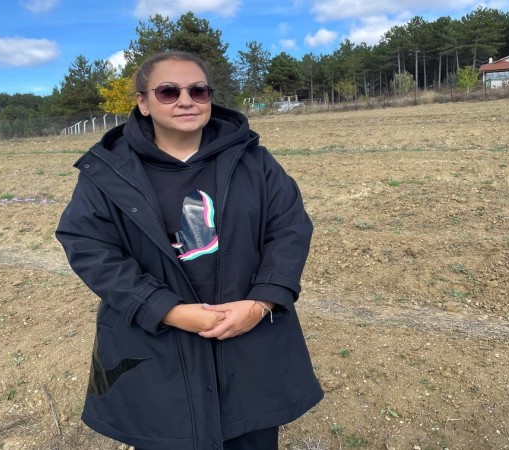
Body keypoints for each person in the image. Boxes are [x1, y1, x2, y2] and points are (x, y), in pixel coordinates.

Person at [55, 50, 323, 450]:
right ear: (143, 103)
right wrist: (165, 309)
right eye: (168, 91)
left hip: (248, 339)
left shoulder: (253, 160)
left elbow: (289, 227)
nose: (186, 101)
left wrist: (262, 302)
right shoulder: (109, 171)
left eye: (198, 90)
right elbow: (90, 247)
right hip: (157, 346)